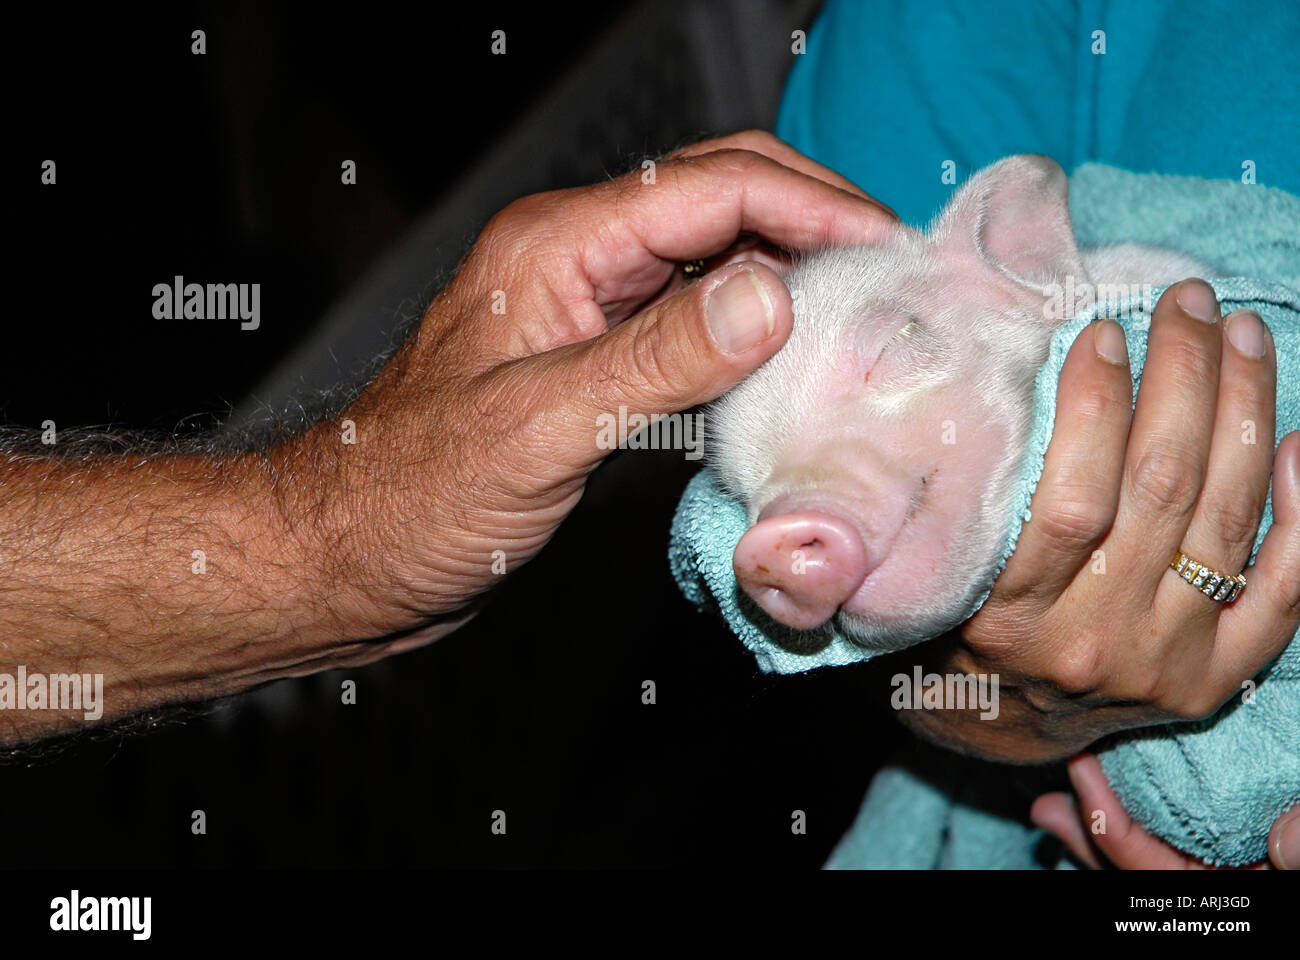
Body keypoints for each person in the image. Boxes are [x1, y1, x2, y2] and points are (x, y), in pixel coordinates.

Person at [1, 132, 1296, 867]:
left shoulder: (1102, 281)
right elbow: (927, 691)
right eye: (760, 489)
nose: (800, 532)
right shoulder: (927, 51)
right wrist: (994, 713)